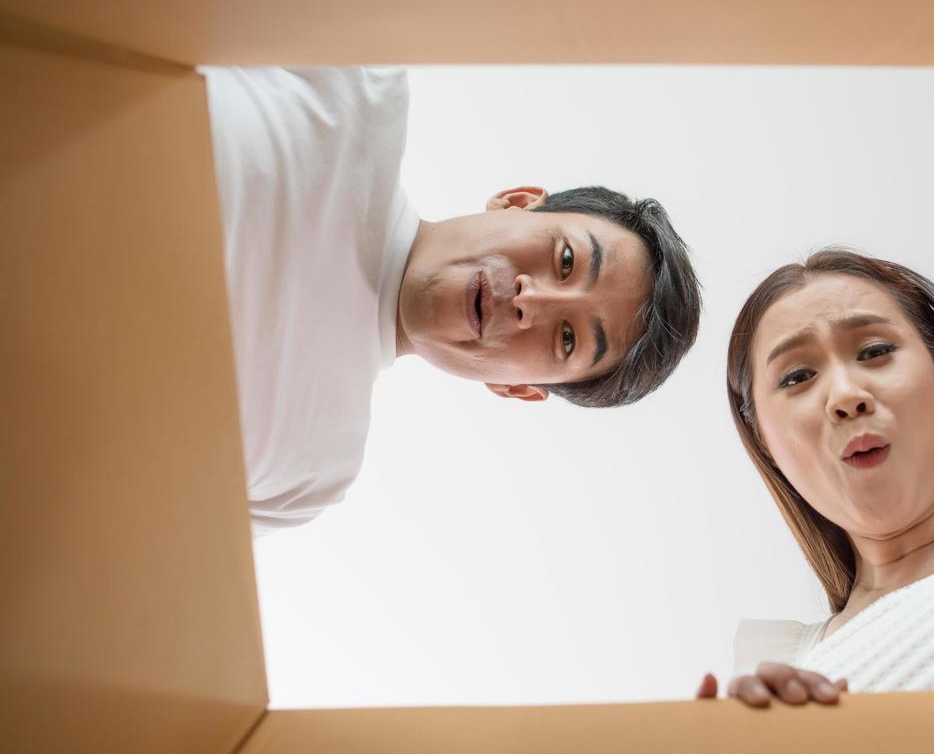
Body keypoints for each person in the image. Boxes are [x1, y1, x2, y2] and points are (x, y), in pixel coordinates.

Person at [205, 67, 701, 531]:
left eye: (568, 339)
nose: (534, 300)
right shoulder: (354, 83)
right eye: (566, 259)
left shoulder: (308, 472)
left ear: (518, 388)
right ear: (519, 202)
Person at [696, 241, 934, 707]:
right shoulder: (778, 674)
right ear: (763, 441)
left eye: (874, 351)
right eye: (797, 378)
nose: (846, 396)